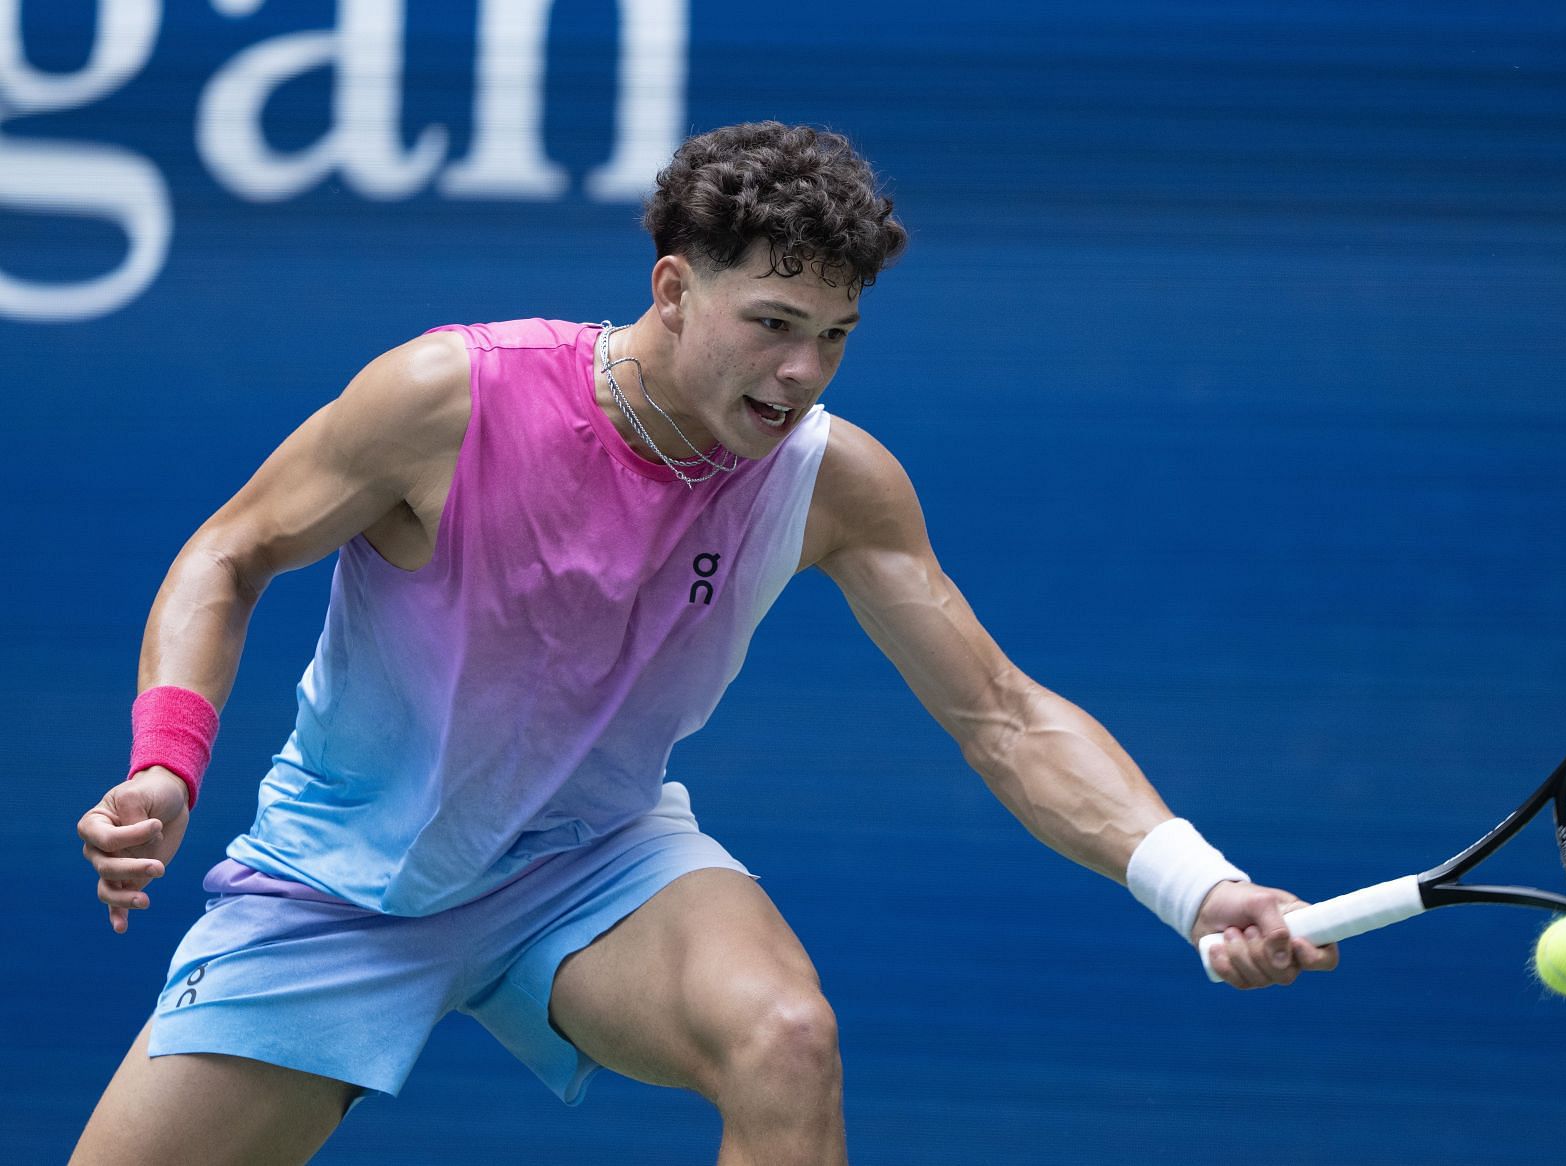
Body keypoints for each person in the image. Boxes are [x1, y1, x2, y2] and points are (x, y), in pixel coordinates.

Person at [72, 120, 1336, 1165]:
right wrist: (166, 760)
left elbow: (1002, 715)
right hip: (340, 883)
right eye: (774, 321)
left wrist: (1202, 884)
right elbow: (230, 549)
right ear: (674, 289)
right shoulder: (446, 398)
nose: (801, 374)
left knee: (785, 1036)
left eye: (836, 336)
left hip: (590, 863)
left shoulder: (832, 482)